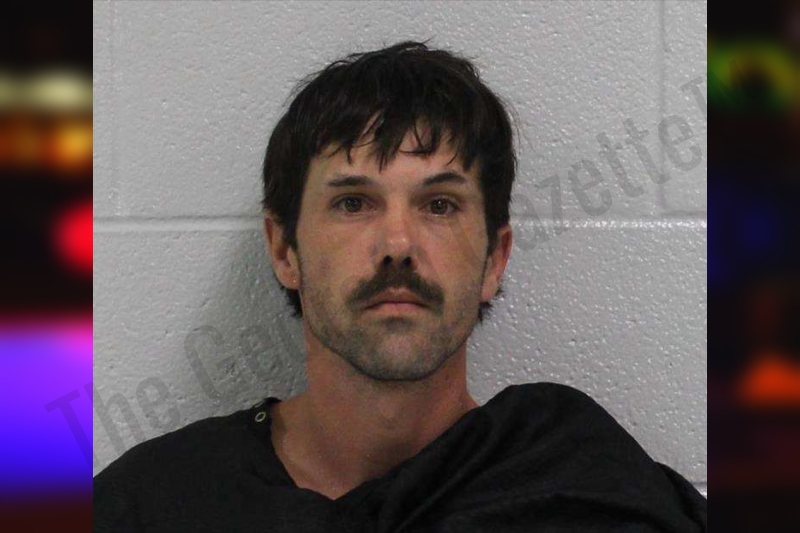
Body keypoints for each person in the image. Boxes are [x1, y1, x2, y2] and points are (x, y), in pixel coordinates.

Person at [94, 41, 707, 532]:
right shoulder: (154, 504)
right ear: (284, 250)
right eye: (353, 203)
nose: (397, 244)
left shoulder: (583, 491)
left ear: (494, 259)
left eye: (439, 205)